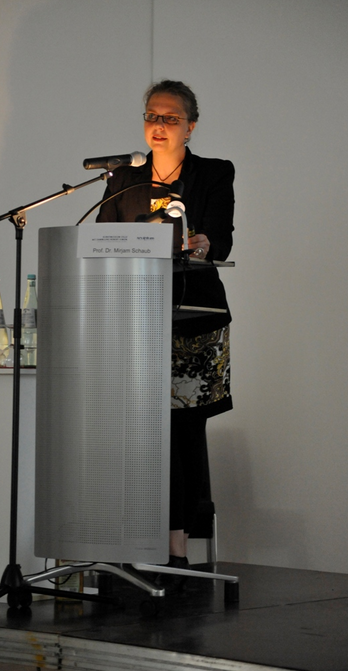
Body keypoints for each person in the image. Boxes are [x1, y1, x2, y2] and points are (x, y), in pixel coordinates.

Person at [96, 79, 235, 584]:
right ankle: (137, 539)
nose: (159, 125)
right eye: (152, 116)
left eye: (171, 118)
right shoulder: (123, 177)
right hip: (135, 318)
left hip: (193, 317)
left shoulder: (213, 173)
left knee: (184, 429)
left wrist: (203, 242)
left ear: (190, 126)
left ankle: (177, 547)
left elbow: (221, 237)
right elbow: (103, 239)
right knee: (137, 431)